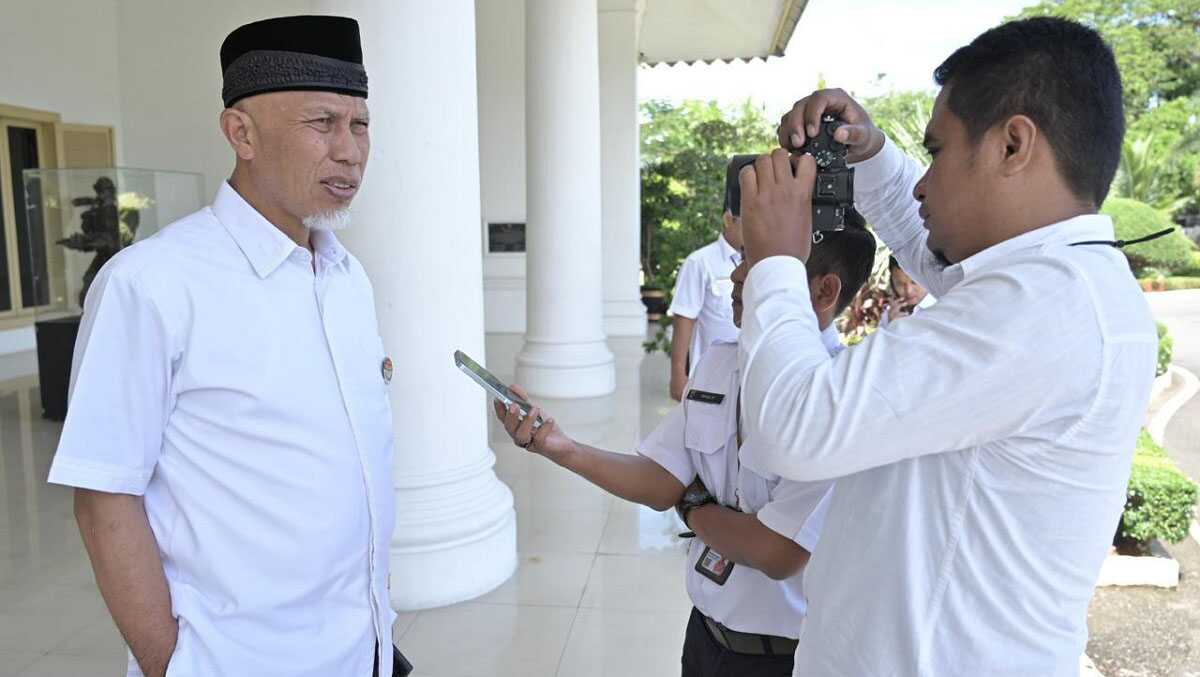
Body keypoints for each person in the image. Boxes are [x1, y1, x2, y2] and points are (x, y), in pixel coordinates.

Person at [735, 17, 1156, 677]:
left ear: (1014, 144)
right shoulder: (1060, 284)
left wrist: (776, 258)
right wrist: (870, 156)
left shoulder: (1044, 304)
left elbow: (793, 426)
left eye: (936, 150)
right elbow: (935, 251)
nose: (924, 182)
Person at [47, 15, 406, 677]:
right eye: (321, 122)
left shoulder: (347, 277)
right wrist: (173, 665)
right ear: (240, 132)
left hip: (364, 652)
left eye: (360, 125)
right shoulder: (151, 285)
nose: (350, 151)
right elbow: (103, 500)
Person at [495, 227, 876, 677]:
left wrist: (694, 506)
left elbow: (777, 552)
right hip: (704, 637)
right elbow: (661, 479)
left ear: (822, 291)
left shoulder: (841, 398)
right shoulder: (719, 361)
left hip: (783, 659)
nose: (735, 274)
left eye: (758, 263)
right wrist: (563, 449)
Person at [668, 157, 748, 401]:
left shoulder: (763, 262)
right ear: (728, 219)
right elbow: (685, 319)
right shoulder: (700, 262)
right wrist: (678, 377)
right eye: (749, 221)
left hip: (748, 379)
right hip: (708, 383)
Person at [878, 255, 935, 328]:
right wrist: (891, 326)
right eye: (900, 284)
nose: (908, 291)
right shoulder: (889, 315)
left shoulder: (942, 305)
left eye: (914, 282)